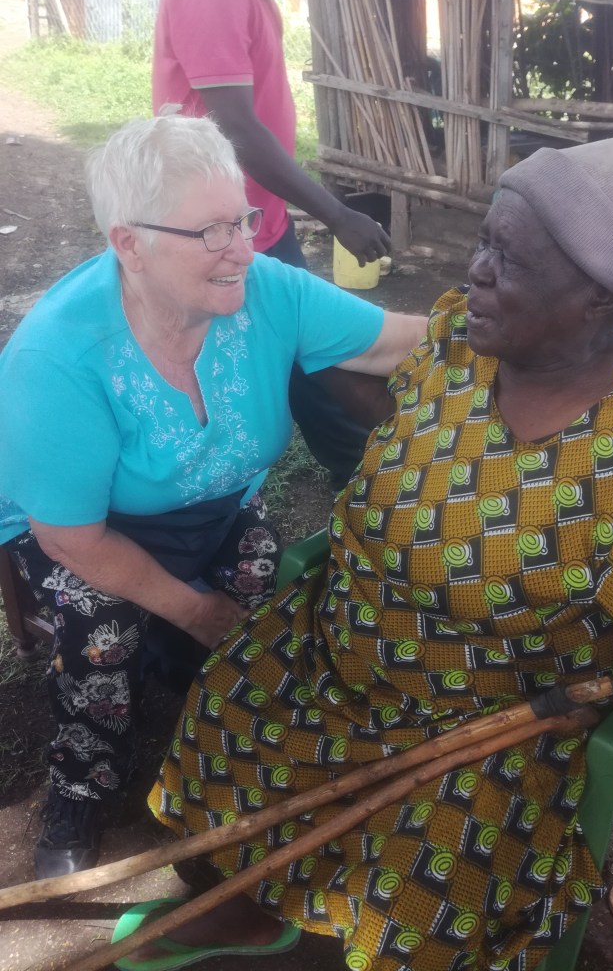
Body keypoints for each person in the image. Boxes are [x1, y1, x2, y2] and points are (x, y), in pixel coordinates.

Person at [114, 139, 613, 971]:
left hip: (478, 727)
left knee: (428, 878)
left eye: (510, 260)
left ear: (598, 299)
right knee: (234, 707)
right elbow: (403, 409)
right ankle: (251, 910)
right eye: (484, 240)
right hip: (333, 653)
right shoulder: (462, 338)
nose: (477, 270)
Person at [0, 113, 426, 882]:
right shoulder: (59, 355)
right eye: (211, 232)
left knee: (262, 608)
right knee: (102, 640)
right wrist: (195, 608)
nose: (243, 248)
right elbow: (71, 536)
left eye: (244, 220)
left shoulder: (266, 292)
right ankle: (82, 786)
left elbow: (396, 339)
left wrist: (513, 327)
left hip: (215, 511)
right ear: (129, 243)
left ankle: (213, 726)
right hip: (91, 535)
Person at [153, 0, 391, 489]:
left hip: (255, 217)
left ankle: (366, 479)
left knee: (312, 354)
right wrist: (336, 213)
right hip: (216, 228)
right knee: (303, 357)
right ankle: (362, 483)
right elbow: (231, 125)